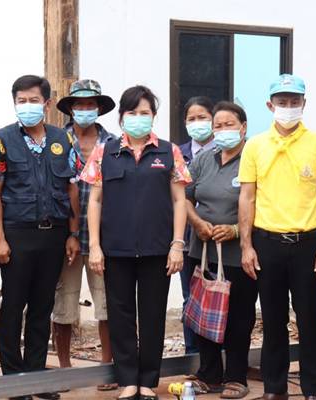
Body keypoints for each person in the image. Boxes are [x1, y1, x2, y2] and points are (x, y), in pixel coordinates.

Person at [83, 85, 192, 400]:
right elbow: (95, 201)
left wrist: (177, 244)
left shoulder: (169, 152)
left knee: (153, 314)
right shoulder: (105, 152)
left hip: (158, 250)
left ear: (154, 116)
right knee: (120, 315)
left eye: (145, 112)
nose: (138, 118)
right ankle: (127, 379)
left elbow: (179, 200)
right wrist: (95, 246)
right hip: (115, 249)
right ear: (121, 117)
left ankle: (148, 380)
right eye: (132, 112)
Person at [238, 74, 316, 400]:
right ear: (270, 105)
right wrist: (246, 246)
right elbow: (247, 197)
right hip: (267, 244)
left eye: (295, 101)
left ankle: (314, 389)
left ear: (304, 103)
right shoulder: (255, 146)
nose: (289, 107)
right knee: (272, 320)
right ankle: (274, 388)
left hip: (308, 244)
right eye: (282, 101)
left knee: (309, 320)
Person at [0, 75, 80, 400]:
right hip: (17, 235)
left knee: (42, 306)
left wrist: (73, 233)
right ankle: (14, 381)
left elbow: (72, 188)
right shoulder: (1, 140)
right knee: (13, 306)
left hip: (54, 235)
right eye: (21, 101)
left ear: (46, 104)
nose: (27, 106)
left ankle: (35, 377)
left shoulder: (63, 140)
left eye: (33, 100)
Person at [185, 101, 257, 399]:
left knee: (239, 318)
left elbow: (263, 204)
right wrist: (197, 222)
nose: (223, 130)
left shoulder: (254, 158)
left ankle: (236, 377)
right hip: (202, 250)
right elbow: (184, 196)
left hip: (239, 254)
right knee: (204, 312)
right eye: (218, 125)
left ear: (243, 127)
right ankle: (209, 374)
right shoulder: (204, 159)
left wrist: (236, 230)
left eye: (230, 125)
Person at [53, 79, 117, 390]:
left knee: (106, 302)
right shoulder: (57, 141)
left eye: (91, 104)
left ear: (99, 108)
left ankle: (106, 366)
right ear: (70, 108)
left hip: (102, 237)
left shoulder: (113, 143)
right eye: (79, 105)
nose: (85, 109)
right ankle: (65, 368)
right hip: (66, 236)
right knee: (64, 303)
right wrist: (68, 232)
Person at [179, 96, 216, 356]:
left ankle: (219, 356)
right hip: (187, 238)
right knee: (190, 297)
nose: (197, 123)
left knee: (219, 295)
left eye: (202, 117)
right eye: (191, 119)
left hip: (221, 238)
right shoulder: (177, 153)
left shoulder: (227, 151)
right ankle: (192, 354)